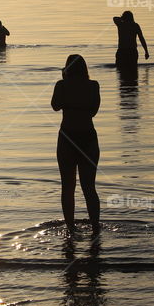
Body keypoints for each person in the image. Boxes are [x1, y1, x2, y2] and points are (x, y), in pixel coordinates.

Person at [51, 54, 101, 235]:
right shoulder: (93, 86)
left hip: (67, 138)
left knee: (67, 187)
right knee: (89, 187)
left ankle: (71, 228)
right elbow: (94, 111)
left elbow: (55, 106)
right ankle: (95, 227)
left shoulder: (61, 85)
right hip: (88, 137)